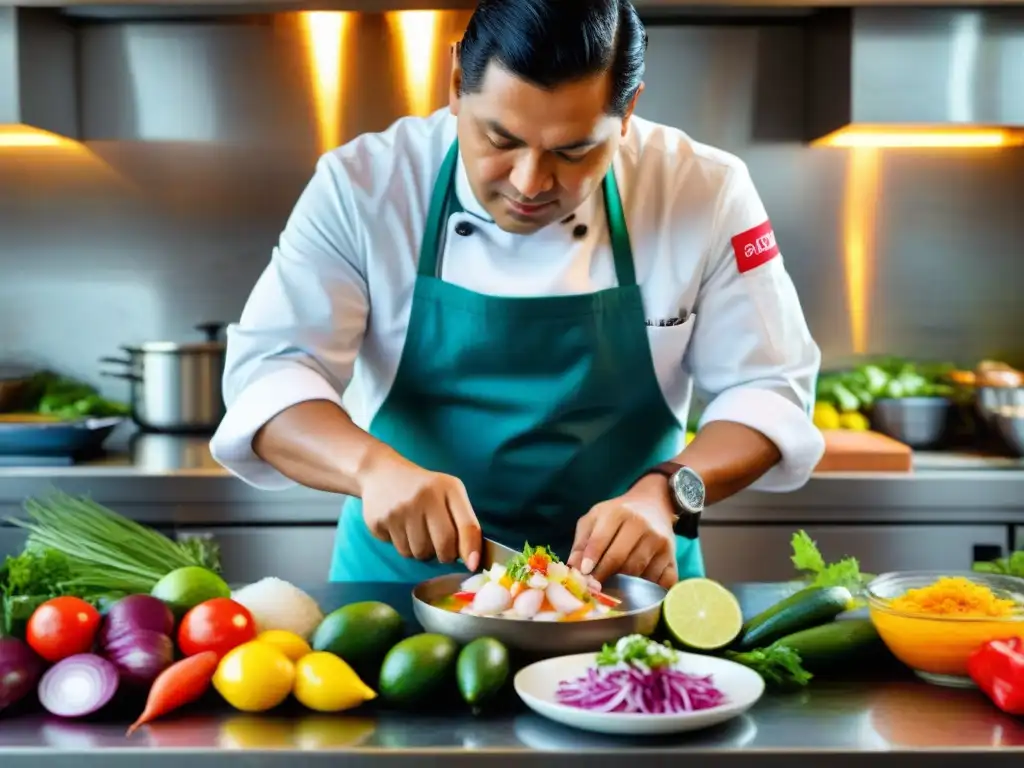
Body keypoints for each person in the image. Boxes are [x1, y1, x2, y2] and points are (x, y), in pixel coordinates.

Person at [209, 0, 824, 589]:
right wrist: (370, 469)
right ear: (455, 83)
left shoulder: (705, 190)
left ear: (629, 109)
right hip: (401, 596)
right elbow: (270, 376)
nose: (530, 183)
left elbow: (768, 390)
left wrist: (669, 490)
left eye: (573, 150)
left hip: (629, 593)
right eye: (500, 140)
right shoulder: (364, 185)